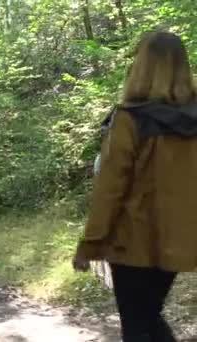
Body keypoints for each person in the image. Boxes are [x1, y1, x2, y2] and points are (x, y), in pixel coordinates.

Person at [73, 31, 197, 342]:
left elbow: (111, 188)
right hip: (180, 240)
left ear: (141, 67)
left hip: (132, 241)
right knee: (148, 318)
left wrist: (89, 244)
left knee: (138, 324)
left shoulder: (130, 119)